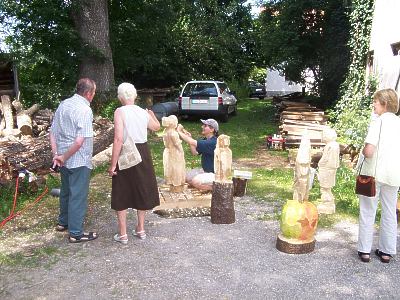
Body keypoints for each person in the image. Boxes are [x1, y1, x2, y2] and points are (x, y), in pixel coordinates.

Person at [108, 82, 160, 244]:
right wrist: (151, 115)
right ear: (135, 96)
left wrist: (112, 164)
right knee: (142, 187)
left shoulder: (120, 112)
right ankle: (141, 228)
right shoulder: (141, 112)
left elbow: (118, 139)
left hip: (126, 152)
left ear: (120, 97)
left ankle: (123, 234)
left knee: (121, 190)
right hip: (142, 153)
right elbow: (156, 127)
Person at [50, 78, 98, 243]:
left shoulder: (64, 104)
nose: (93, 96)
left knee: (66, 191)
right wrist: (63, 157)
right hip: (78, 160)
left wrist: (57, 155)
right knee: (77, 195)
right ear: (88, 93)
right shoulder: (85, 110)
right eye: (93, 93)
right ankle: (76, 233)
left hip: (63, 158)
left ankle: (63, 223)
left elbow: (53, 132)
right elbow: (79, 141)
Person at [357, 88, 400, 263]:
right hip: (395, 174)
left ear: (384, 103)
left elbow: (369, 151)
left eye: (376, 101)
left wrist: (362, 150)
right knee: (390, 212)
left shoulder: (378, 122)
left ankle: (365, 250)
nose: (373, 104)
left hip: (374, 174)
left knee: (368, 211)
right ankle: (386, 251)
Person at [177, 118, 219, 191]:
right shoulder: (206, 140)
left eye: (205, 125)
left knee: (195, 182)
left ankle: (219, 188)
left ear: (212, 130)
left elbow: (193, 142)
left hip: (215, 174)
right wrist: (189, 138)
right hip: (205, 171)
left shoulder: (214, 142)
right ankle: (203, 184)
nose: (202, 127)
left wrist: (179, 131)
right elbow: (195, 153)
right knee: (185, 177)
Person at [162, 115, 186, 191]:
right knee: (176, 168)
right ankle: (177, 184)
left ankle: (172, 183)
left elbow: (165, 144)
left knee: (170, 167)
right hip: (175, 152)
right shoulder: (174, 133)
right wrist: (182, 152)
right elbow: (178, 145)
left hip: (168, 151)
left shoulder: (165, 131)